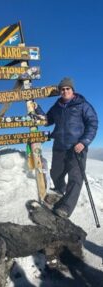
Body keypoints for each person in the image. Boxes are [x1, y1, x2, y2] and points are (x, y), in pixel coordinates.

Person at [35, 77, 98, 218]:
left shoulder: (82, 105)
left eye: (67, 88)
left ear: (72, 90)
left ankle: (66, 207)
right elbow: (47, 121)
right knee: (56, 173)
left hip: (77, 147)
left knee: (75, 178)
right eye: (62, 89)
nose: (65, 91)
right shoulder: (57, 107)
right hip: (59, 146)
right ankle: (59, 192)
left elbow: (92, 123)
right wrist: (36, 107)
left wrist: (83, 142)